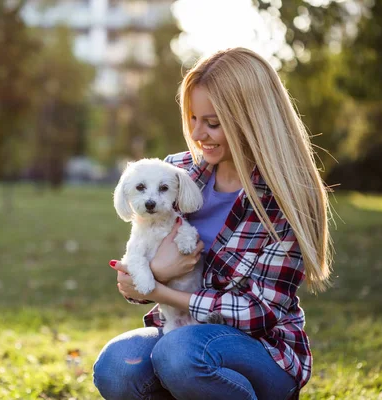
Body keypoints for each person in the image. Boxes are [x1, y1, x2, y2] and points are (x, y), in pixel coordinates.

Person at [93, 47, 333, 400]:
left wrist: (158, 289)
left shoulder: (289, 197)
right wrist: (151, 272)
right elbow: (134, 278)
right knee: (116, 365)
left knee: (179, 355)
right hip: (179, 334)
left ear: (252, 118)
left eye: (213, 122)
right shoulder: (177, 172)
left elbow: (260, 312)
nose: (198, 133)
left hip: (262, 350)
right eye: (192, 118)